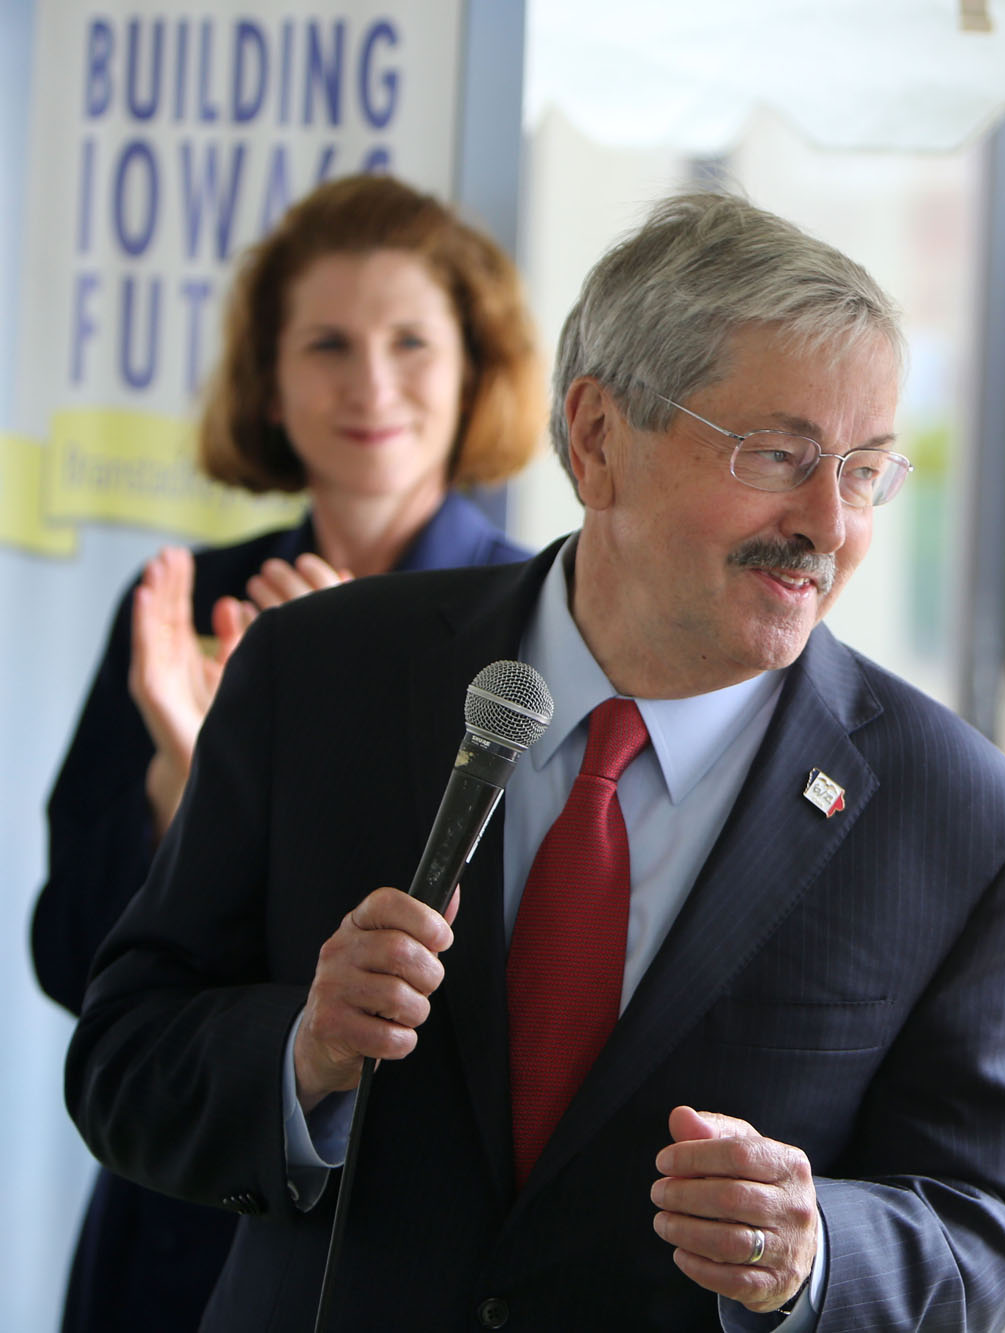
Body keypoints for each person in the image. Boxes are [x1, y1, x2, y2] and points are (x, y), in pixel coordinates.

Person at [66, 190, 1005, 1332]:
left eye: (866, 467)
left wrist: (817, 1251)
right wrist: (304, 1053)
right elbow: (121, 1058)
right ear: (597, 439)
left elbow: (983, 1234)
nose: (827, 522)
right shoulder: (316, 673)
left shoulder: (968, 822)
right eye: (777, 453)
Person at [33, 172, 543, 1333]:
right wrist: (187, 768)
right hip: (175, 1223)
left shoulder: (536, 625)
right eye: (326, 344)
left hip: (409, 1254)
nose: (370, 384)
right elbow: (78, 963)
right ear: (269, 377)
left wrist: (339, 704)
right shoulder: (181, 604)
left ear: (475, 369)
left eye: (412, 341)